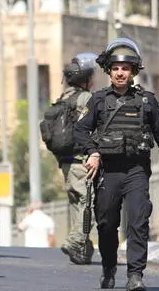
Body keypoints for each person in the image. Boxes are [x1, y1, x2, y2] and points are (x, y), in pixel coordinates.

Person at [74, 38, 159, 291]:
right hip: (108, 172)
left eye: (125, 68)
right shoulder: (99, 101)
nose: (120, 72)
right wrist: (93, 152)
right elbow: (80, 131)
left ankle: (135, 275)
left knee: (138, 222)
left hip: (136, 171)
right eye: (115, 68)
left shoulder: (146, 102)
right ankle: (109, 268)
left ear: (133, 71)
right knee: (107, 224)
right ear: (109, 71)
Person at [41, 53, 97, 264]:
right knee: (89, 202)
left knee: (77, 204)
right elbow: (91, 128)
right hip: (81, 161)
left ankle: (82, 250)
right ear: (86, 79)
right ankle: (75, 241)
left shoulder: (62, 98)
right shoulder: (85, 99)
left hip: (65, 163)